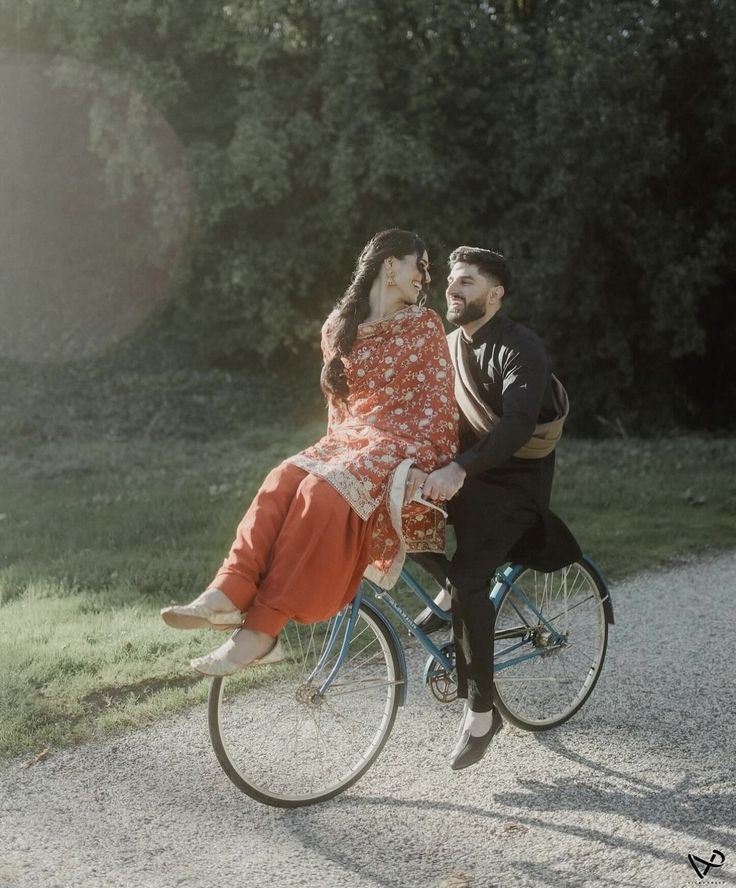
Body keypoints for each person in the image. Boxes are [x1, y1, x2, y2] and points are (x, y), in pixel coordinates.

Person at [161, 229, 459, 676]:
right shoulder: (338, 328)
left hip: (406, 442)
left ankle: (261, 632)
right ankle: (226, 593)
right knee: (283, 477)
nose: (425, 275)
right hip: (352, 440)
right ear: (390, 265)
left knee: (322, 490)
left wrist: (430, 463)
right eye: (420, 263)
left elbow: (439, 403)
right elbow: (340, 414)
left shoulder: (424, 325)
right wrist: (333, 456)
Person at [410, 246, 581, 771]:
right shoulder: (447, 347)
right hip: (467, 476)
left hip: (515, 487)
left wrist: (459, 468)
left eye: (465, 282)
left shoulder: (521, 347)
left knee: (468, 580)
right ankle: (454, 587)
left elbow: (515, 424)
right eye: (451, 282)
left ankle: (482, 713)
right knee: (400, 521)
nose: (452, 290)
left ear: (495, 293)